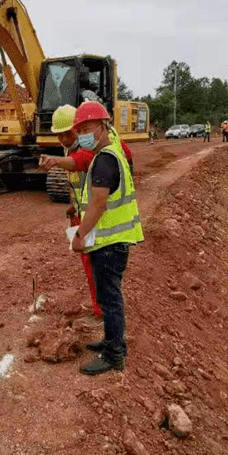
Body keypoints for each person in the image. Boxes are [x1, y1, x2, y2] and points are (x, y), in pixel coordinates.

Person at [69, 101, 144, 376]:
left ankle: (114, 355)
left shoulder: (105, 159)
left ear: (102, 127)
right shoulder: (111, 153)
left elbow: (98, 204)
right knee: (108, 296)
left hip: (111, 245)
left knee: (110, 299)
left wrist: (80, 234)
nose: (81, 135)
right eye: (78, 131)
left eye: (85, 128)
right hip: (113, 242)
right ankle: (110, 341)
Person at [40, 105, 102, 318]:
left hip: (93, 216)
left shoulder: (88, 149)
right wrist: (71, 205)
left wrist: (56, 161)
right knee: (88, 263)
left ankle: (100, 309)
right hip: (80, 212)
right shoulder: (69, 149)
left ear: (79, 130)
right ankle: (98, 305)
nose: (64, 139)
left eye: (68, 133)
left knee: (95, 264)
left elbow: (79, 164)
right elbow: (73, 180)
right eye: (60, 135)